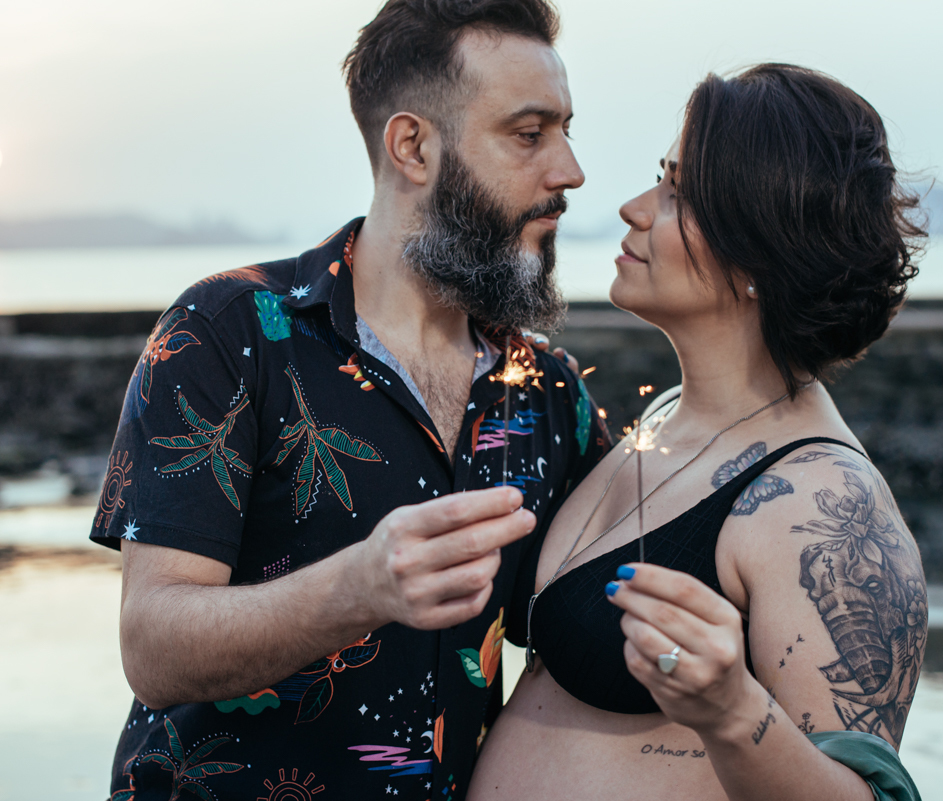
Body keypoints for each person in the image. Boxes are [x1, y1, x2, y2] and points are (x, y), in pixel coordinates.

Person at [88, 2, 608, 799]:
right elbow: (153, 648)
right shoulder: (228, 331)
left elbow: (596, 623)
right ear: (413, 147)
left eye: (566, 131)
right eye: (529, 133)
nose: (569, 171)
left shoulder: (548, 390)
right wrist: (359, 587)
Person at [470, 64, 927, 801]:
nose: (633, 208)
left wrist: (732, 710)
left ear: (760, 252)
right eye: (661, 179)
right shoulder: (662, 420)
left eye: (678, 193)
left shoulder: (823, 503)